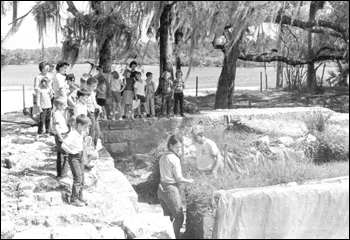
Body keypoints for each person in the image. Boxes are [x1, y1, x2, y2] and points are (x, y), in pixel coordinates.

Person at [158, 135, 193, 239]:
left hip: (161, 188)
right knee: (179, 217)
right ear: (171, 145)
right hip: (170, 189)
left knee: (168, 217)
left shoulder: (163, 156)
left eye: (180, 147)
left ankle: (166, 236)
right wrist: (190, 181)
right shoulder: (174, 158)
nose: (179, 149)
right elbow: (179, 178)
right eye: (177, 147)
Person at [61, 114, 91, 207]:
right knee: (78, 177)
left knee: (82, 176)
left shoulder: (80, 132)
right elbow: (63, 145)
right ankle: (74, 199)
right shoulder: (72, 134)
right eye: (85, 127)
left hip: (80, 156)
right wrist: (71, 151)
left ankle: (80, 195)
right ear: (79, 125)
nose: (86, 129)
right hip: (74, 157)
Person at [51, 97, 70, 180]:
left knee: (60, 156)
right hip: (62, 135)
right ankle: (63, 174)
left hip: (61, 135)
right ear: (58, 106)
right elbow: (57, 128)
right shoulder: (57, 114)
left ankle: (59, 173)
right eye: (63, 105)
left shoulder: (57, 112)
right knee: (67, 155)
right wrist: (61, 138)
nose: (65, 106)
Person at [85, 77, 102, 147]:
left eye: (95, 86)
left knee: (98, 133)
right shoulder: (85, 92)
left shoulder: (92, 92)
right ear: (88, 85)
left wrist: (98, 107)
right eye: (93, 86)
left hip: (96, 113)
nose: (95, 88)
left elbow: (94, 103)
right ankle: (90, 149)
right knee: (92, 132)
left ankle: (94, 147)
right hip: (90, 114)